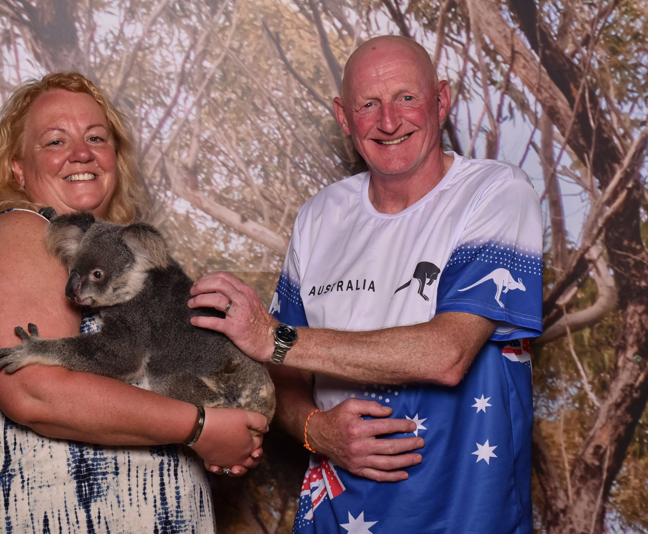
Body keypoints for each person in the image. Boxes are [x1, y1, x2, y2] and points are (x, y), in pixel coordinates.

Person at [189, 36, 542, 533]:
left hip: (463, 513)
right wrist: (313, 430)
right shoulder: (319, 215)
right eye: (368, 104)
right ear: (343, 116)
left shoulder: (495, 192)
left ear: (440, 100)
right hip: (337, 514)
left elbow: (447, 354)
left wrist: (275, 337)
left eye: (406, 97)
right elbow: (284, 376)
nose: (389, 121)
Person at [0, 72, 268, 534]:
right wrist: (202, 427)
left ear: (114, 159)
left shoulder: (132, 264)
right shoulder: (21, 231)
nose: (81, 153)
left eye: (95, 138)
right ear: (17, 169)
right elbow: (36, 390)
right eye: (54, 141)